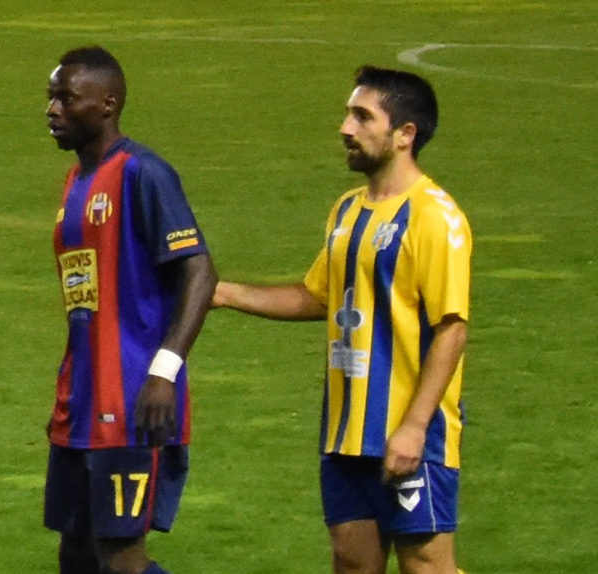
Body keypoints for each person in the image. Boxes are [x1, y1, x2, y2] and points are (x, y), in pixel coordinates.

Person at [213, 66, 472, 574]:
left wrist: (415, 427)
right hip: (344, 432)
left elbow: (452, 328)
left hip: (408, 433)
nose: (345, 128)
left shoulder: (435, 218)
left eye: (362, 116)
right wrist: (222, 293)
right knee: (351, 564)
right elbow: (318, 297)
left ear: (404, 135)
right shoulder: (347, 211)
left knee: (426, 567)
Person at [43, 46, 217, 574]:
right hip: (80, 400)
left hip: (134, 400)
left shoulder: (144, 174)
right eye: (50, 97)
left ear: (106, 104)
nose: (51, 109)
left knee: (120, 557)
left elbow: (200, 272)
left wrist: (164, 371)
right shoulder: (75, 183)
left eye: (65, 98)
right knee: (75, 549)